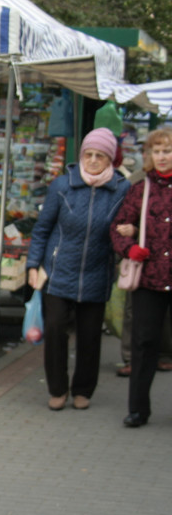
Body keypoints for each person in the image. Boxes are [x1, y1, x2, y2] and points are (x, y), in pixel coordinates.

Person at [26, 128, 130, 411]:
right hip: (58, 270)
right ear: (81, 155)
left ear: (110, 159)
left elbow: (126, 229)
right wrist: (33, 264)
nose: (93, 160)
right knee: (57, 329)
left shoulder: (122, 189)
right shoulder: (62, 185)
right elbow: (43, 228)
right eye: (89, 154)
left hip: (97, 272)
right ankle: (58, 389)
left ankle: (83, 389)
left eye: (100, 156)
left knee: (89, 335)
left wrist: (129, 231)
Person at [111, 127, 172, 428]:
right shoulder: (140, 188)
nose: (162, 157)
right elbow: (119, 225)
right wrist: (130, 247)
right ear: (149, 155)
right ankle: (138, 409)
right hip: (148, 279)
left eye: (167, 151)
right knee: (144, 343)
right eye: (157, 151)